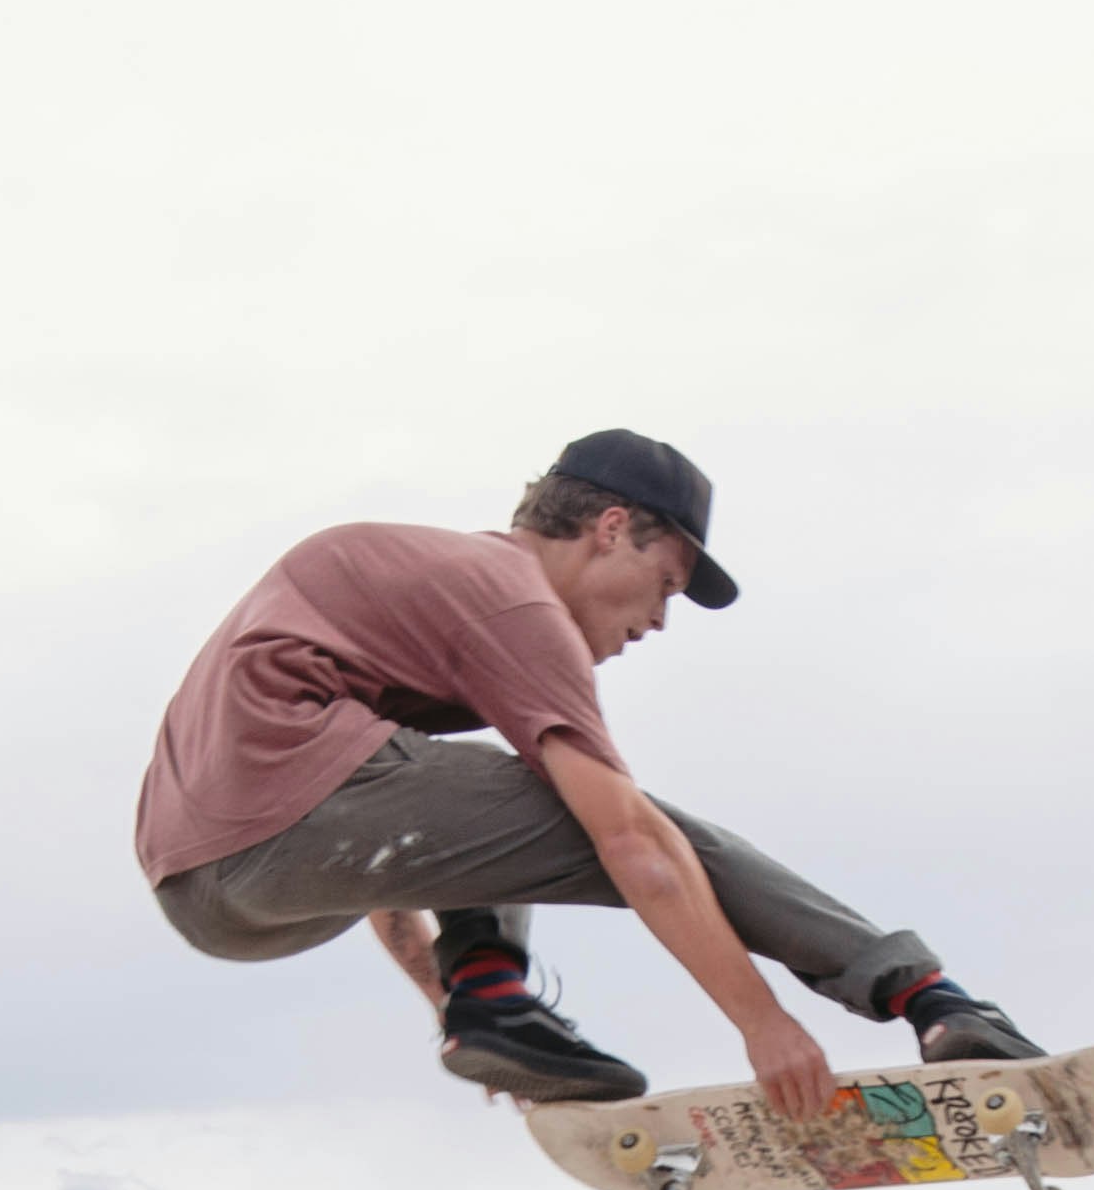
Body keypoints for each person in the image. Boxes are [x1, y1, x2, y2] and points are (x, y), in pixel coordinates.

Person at [130, 429, 1039, 1115]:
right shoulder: (514, 602)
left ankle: (492, 999)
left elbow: (404, 841)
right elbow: (637, 850)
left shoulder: (425, 583)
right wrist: (765, 1024)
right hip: (291, 828)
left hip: (210, 891)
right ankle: (928, 996)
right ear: (612, 529)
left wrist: (454, 1009)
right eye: (667, 585)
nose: (659, 622)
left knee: (496, 782)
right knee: (642, 824)